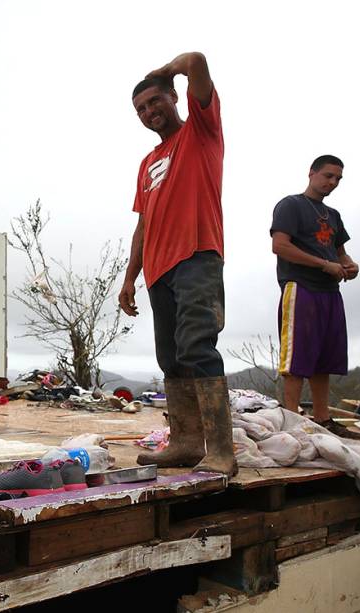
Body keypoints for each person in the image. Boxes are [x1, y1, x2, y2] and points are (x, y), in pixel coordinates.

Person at [118, 51, 237, 476]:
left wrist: (167, 71)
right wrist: (129, 279)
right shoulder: (147, 164)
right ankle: (186, 443)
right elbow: (143, 226)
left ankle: (221, 449)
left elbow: (199, 61)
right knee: (171, 357)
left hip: (197, 256)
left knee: (198, 346)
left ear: (174, 97)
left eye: (155, 102)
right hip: (159, 270)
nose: (149, 112)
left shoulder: (202, 132)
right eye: (140, 109)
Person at [270, 155, 360, 439]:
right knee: (297, 360)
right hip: (301, 288)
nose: (332, 182)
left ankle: (323, 419)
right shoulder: (291, 205)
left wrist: (350, 265)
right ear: (311, 173)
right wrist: (324, 265)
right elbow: (280, 246)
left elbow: (339, 253)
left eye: (337, 179)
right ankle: (293, 423)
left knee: (325, 358)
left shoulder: (333, 215)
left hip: (330, 292)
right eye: (328, 176)